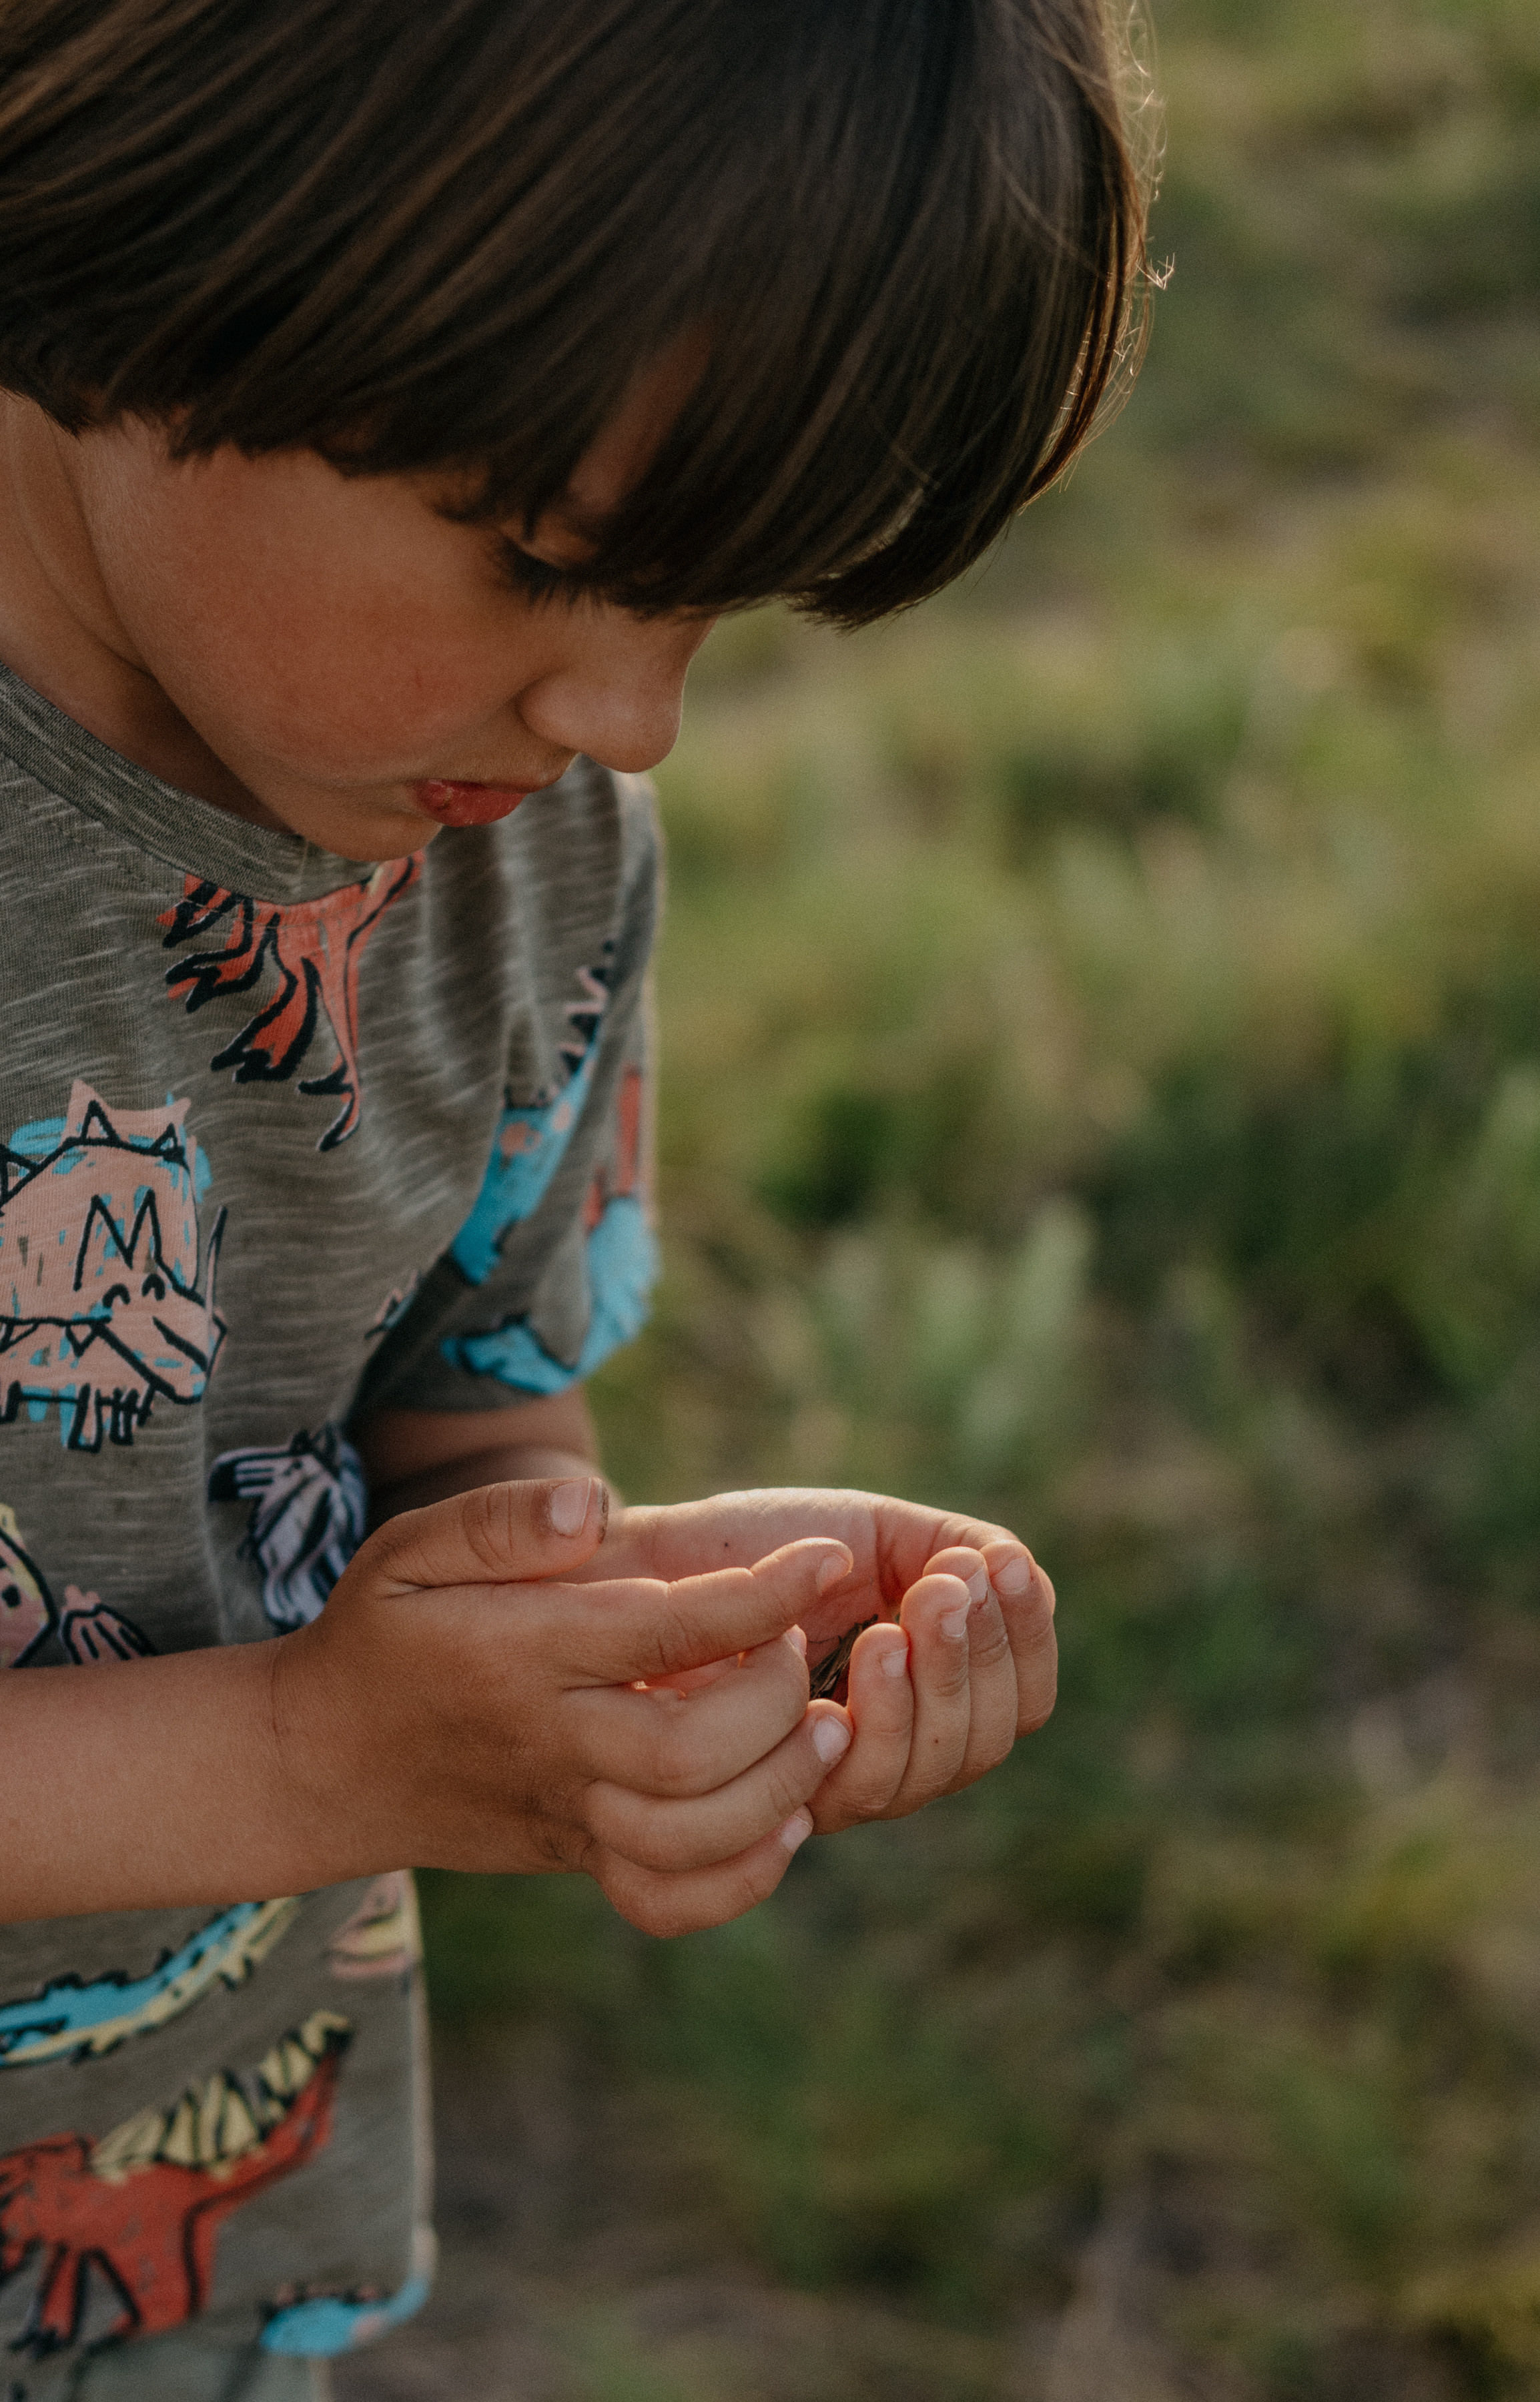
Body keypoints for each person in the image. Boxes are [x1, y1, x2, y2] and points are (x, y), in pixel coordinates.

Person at [0, 0, 1146, 2392]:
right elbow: (316, 1732)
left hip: (176, 2247)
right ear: (162, 219)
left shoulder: (522, 868)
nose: (630, 720)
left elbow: (463, 1408)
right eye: (539, 560)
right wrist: (312, 1756)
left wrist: (612, 1633)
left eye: (715, 606)